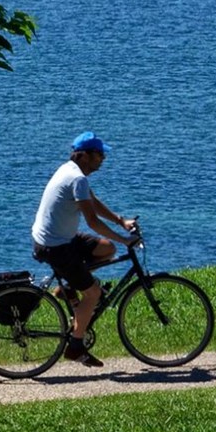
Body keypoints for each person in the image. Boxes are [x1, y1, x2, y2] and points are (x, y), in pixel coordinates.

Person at [30, 132, 136, 366]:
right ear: (85, 156)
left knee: (105, 249)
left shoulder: (71, 171)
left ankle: (68, 289)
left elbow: (93, 202)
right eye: (99, 154)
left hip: (58, 238)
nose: (103, 159)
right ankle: (76, 347)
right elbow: (93, 222)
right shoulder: (77, 179)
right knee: (93, 293)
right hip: (55, 246)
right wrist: (125, 240)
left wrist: (121, 221)